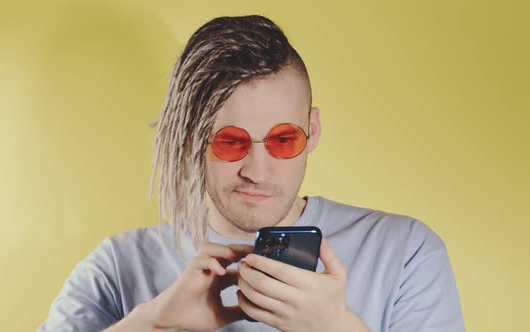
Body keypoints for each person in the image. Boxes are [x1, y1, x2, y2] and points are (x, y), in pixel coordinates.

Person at [38, 15, 465, 332]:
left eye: (282, 140)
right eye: (231, 142)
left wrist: (336, 327)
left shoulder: (407, 252)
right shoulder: (116, 267)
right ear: (189, 140)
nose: (257, 172)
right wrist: (152, 323)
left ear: (312, 131)